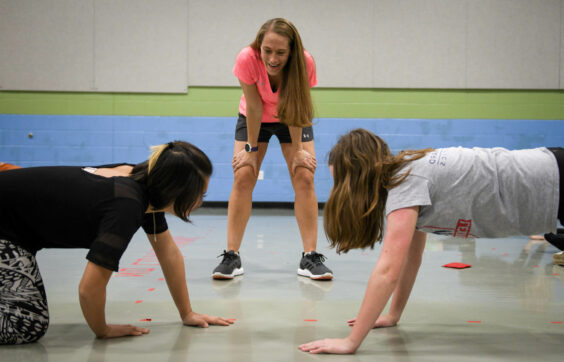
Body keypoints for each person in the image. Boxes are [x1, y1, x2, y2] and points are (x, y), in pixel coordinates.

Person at [299, 128, 563, 354]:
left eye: (340, 182)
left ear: (358, 177)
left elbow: (387, 271)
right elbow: (411, 258)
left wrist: (351, 341)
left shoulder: (404, 185)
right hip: (550, 171)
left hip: (553, 177)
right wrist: (393, 314)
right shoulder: (407, 174)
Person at [0, 141, 234, 345]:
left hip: (16, 227)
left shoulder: (141, 181)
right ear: (177, 191)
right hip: (6, 228)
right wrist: (103, 330)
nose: (201, 201)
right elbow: (88, 289)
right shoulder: (126, 205)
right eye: (200, 194)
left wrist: (187, 313)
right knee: (26, 325)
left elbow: (168, 254)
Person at [212, 18, 332, 280]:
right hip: (254, 118)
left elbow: (299, 105)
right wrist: (250, 149)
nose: (273, 58)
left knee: (304, 174)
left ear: (291, 51)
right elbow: (254, 107)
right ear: (259, 46)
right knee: (243, 173)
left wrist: (299, 149)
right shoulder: (247, 58)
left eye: (280, 52)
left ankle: (309, 256)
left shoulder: (305, 61)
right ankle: (232, 255)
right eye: (267, 50)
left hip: (292, 115)